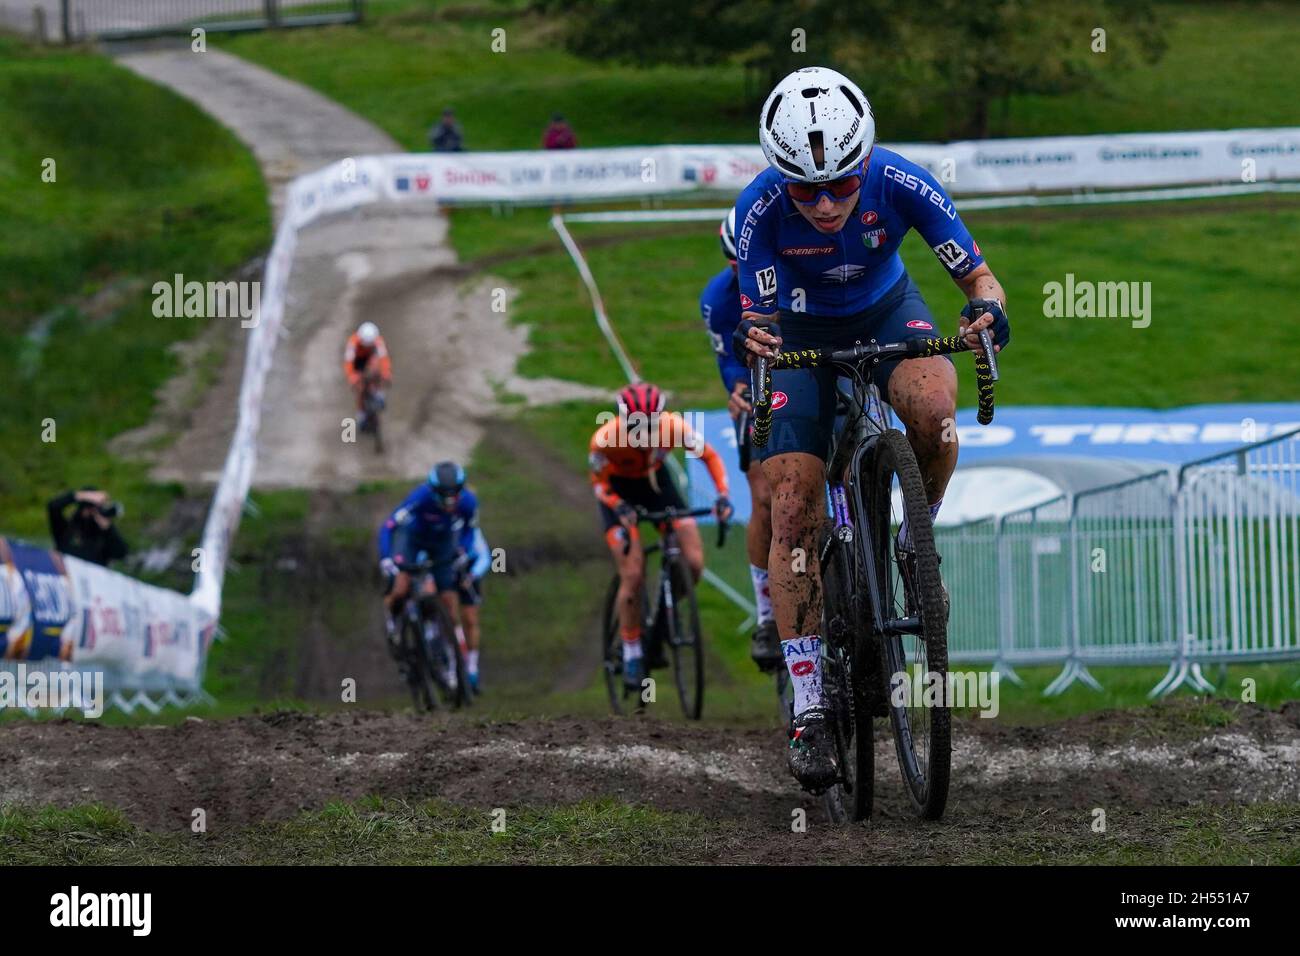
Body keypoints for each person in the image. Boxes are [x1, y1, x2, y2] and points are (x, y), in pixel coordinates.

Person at [732, 67, 1010, 792]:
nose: (824, 205)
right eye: (804, 189)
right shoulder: (759, 211)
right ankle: (810, 706)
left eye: (842, 186)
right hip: (796, 331)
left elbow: (980, 278)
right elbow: (756, 323)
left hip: (889, 311)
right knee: (794, 502)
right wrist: (756, 343)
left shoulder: (904, 182)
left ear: (865, 165)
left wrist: (987, 312)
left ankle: (916, 543)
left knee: (936, 419)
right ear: (778, 178)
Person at [589, 383, 733, 690]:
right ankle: (630, 653)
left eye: (651, 427)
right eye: (635, 428)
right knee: (633, 573)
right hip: (618, 493)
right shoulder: (604, 440)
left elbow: (710, 456)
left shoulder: (673, 427)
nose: (644, 435)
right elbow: (599, 486)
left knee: (693, 562)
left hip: (656, 485)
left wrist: (722, 495)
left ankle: (667, 613)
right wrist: (619, 506)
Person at [700, 208, 779, 671]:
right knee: (764, 496)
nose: (744, 275)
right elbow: (730, 364)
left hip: (811, 362)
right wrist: (737, 389)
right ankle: (767, 614)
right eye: (735, 268)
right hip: (761, 385)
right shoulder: (718, 298)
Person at [378, 462, 488, 692]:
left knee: (449, 601)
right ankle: (392, 621)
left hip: (442, 543)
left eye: (453, 497)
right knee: (401, 585)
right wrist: (387, 557)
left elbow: (469, 531)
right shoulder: (420, 498)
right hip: (412, 540)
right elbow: (388, 526)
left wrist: (463, 552)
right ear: (433, 490)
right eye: (442, 497)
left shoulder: (468, 502)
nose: (448, 503)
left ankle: (450, 655)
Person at [47, 488, 128, 567]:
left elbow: (121, 553)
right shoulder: (66, 529)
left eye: (95, 508)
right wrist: (82, 495)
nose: (91, 512)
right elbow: (53, 507)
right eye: (88, 508)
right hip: (64, 574)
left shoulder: (104, 535)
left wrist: (108, 528)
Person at [343, 321, 392, 431]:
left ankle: (378, 392)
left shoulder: (378, 341)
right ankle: (361, 414)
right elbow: (348, 362)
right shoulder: (353, 343)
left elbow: (384, 358)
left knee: (376, 368)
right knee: (359, 388)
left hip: (370, 358)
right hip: (358, 361)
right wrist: (352, 377)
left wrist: (386, 373)